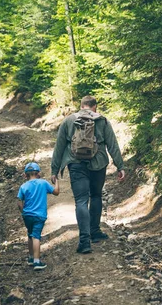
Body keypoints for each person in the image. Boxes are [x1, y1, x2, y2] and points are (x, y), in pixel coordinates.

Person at [51, 95, 125, 254]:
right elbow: (112, 144)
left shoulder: (69, 120)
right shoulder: (103, 120)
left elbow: (59, 146)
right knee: (96, 196)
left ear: (81, 106)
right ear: (94, 107)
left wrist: (54, 170)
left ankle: (84, 241)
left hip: (76, 163)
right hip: (98, 164)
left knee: (81, 201)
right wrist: (120, 166)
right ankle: (95, 232)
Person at [17, 162, 60, 270]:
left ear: (26, 175)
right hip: (39, 215)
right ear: (38, 173)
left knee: (30, 235)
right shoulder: (43, 183)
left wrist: (23, 212)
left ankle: (31, 257)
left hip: (27, 215)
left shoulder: (23, 186)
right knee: (36, 236)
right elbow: (56, 192)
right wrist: (57, 182)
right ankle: (37, 261)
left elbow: (19, 201)